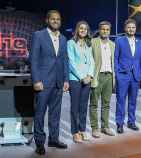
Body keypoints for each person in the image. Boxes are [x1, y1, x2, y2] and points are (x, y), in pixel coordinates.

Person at [30, 10, 69, 155]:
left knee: (55, 113)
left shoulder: (63, 38)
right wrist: (36, 80)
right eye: (52, 19)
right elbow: (33, 60)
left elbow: (65, 60)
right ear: (47, 20)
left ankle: (54, 139)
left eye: (58, 19)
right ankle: (39, 143)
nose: (55, 21)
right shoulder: (38, 35)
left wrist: (66, 79)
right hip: (43, 82)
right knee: (40, 113)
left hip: (58, 82)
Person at [114, 19, 141, 134]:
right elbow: (116, 58)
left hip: (135, 76)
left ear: (135, 29)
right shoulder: (119, 41)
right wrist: (117, 73)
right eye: (129, 27)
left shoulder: (140, 43)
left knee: (133, 101)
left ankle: (131, 122)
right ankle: (119, 123)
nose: (131, 29)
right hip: (122, 75)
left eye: (133, 27)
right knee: (121, 100)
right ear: (125, 28)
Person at [67, 21, 95, 143]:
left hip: (87, 79)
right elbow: (71, 63)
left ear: (87, 31)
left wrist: (90, 75)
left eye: (85, 28)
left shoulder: (88, 44)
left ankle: (82, 129)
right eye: (81, 28)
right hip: (75, 79)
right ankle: (75, 132)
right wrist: (81, 77)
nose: (83, 30)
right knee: (75, 107)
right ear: (77, 30)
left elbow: (92, 62)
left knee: (83, 107)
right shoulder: (70, 43)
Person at [90, 21, 115, 138]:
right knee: (94, 104)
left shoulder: (112, 44)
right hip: (97, 76)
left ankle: (105, 127)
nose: (105, 31)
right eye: (103, 29)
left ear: (110, 31)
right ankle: (95, 128)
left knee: (106, 104)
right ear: (99, 30)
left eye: (107, 29)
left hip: (109, 76)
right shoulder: (93, 42)